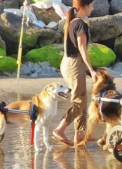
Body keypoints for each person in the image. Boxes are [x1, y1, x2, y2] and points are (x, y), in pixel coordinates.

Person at [52, 0, 97, 148]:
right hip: (74, 64)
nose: (93, 8)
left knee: (81, 99)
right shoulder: (80, 24)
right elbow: (82, 50)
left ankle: (80, 134)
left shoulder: (72, 21)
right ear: (85, 6)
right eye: (92, 5)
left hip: (69, 63)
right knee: (79, 101)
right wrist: (91, 70)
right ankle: (60, 129)